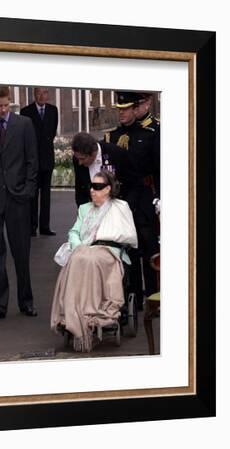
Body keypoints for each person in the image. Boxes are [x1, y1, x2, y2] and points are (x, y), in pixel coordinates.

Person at [51, 171, 138, 352]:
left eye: (98, 187)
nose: (92, 190)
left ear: (108, 189)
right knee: (79, 257)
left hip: (109, 251)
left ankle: (89, 312)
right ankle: (74, 313)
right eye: (92, 186)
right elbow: (74, 232)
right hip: (85, 249)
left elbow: (129, 235)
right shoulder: (84, 208)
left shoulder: (120, 207)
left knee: (88, 259)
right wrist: (78, 246)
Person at [0, 85, 38, 322]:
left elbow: (32, 160)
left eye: (6, 105)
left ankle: (26, 302)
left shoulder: (24, 125)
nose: (3, 110)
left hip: (19, 197)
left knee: (21, 252)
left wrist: (29, 190)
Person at [104, 91, 160, 309]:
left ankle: (153, 299)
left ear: (135, 109)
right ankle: (134, 297)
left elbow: (157, 167)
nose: (122, 113)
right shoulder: (113, 136)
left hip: (144, 199)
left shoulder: (149, 133)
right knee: (129, 251)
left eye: (126, 109)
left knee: (148, 249)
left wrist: (159, 197)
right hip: (122, 199)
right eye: (119, 109)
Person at [20, 87, 59, 236]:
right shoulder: (26, 112)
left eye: (45, 93)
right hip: (32, 159)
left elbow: (52, 132)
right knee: (33, 194)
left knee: (46, 194)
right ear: (34, 95)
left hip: (47, 158)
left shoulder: (53, 110)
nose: (42, 96)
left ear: (47, 94)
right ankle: (32, 226)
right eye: (39, 93)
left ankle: (45, 226)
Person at [72, 131, 140, 208]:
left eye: (82, 159)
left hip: (118, 207)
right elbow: (80, 189)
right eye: (78, 159)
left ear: (93, 153)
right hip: (93, 209)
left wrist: (127, 207)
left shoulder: (116, 153)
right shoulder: (77, 159)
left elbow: (133, 183)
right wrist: (83, 211)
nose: (80, 163)